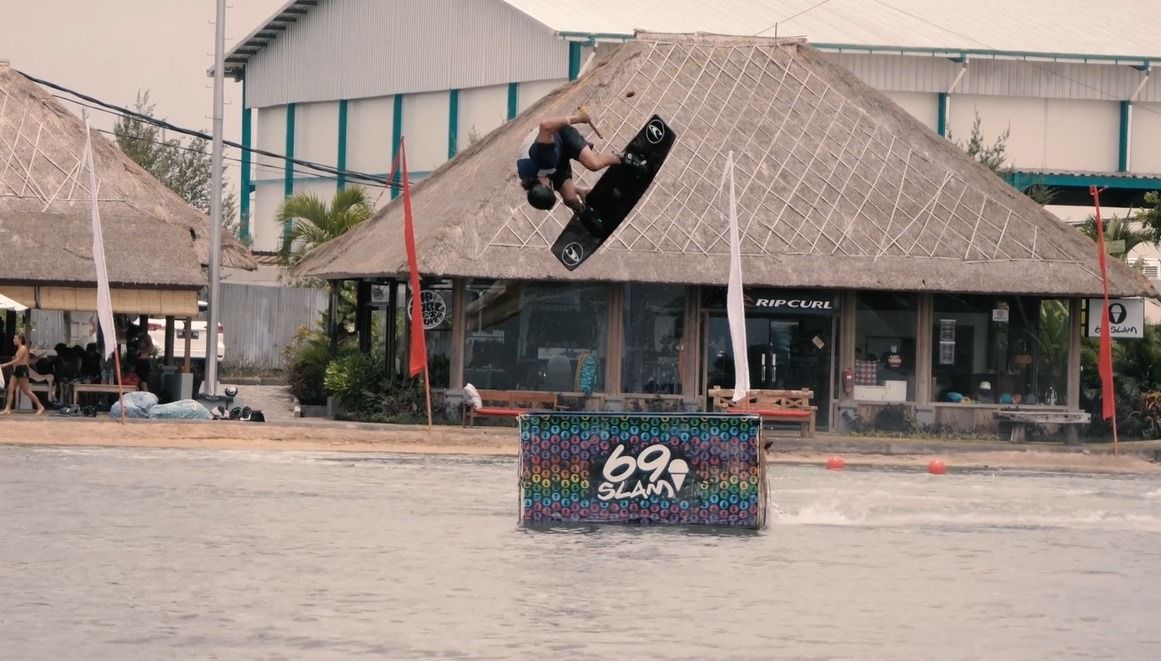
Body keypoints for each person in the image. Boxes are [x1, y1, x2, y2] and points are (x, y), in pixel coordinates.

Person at [516, 106, 643, 216]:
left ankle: (623, 157)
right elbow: (552, 181)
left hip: (559, 135)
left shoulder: (542, 156)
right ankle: (584, 209)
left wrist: (578, 118)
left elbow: (545, 125)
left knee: (593, 164)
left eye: (550, 187)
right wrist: (578, 190)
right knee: (570, 199)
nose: (552, 187)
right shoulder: (531, 179)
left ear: (543, 185)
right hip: (553, 161)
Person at [1, 334, 46, 415]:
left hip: (23, 370)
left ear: (20, 340)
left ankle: (40, 406)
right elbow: (15, 360)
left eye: (15, 339)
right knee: (10, 388)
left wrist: (5, 365)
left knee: (26, 391)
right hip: (17, 370)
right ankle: (7, 409)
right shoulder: (18, 349)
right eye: (13, 338)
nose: (13, 340)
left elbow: (17, 360)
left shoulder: (23, 348)